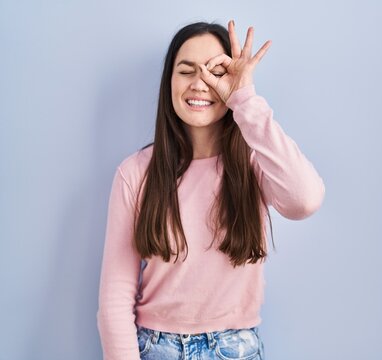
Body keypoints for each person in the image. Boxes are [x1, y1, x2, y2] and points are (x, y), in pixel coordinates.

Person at [96, 19, 325, 360]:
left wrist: (244, 99)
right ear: (168, 83)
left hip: (236, 348)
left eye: (214, 72)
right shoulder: (135, 174)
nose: (200, 83)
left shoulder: (255, 162)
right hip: (155, 348)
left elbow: (305, 200)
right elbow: (115, 298)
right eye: (186, 71)